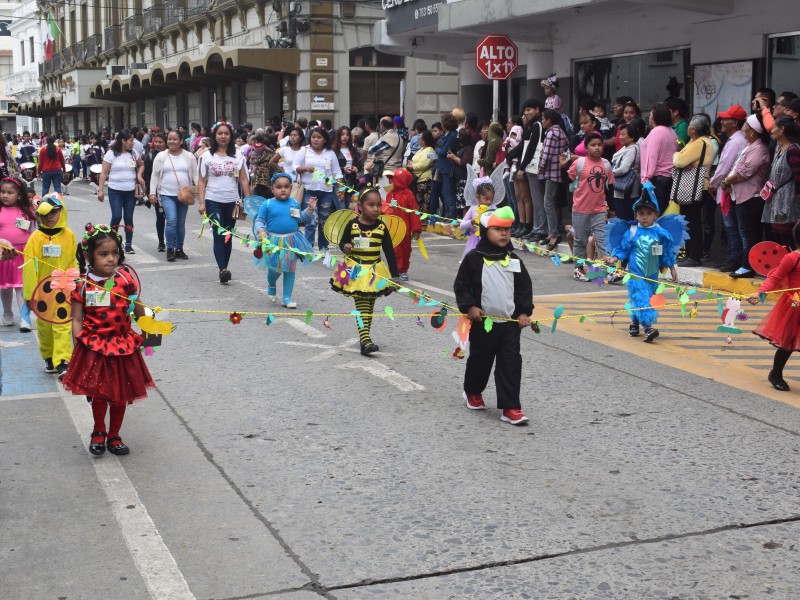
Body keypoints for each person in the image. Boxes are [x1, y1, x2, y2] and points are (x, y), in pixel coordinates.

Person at [62, 224, 155, 456]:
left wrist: (150, 325)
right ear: (88, 256)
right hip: (95, 348)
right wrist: (77, 345)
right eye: (103, 254)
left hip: (123, 347)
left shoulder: (125, 281)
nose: (111, 259)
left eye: (114, 253)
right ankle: (98, 431)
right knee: (101, 394)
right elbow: (76, 319)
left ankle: (114, 435)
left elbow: (138, 307)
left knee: (120, 395)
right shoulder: (83, 286)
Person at [454, 206, 533, 426]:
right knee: (480, 360)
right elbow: (461, 286)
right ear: (485, 230)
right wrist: (469, 307)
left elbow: (524, 287)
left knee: (510, 364)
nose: (504, 234)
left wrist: (525, 311)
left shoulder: (514, 260)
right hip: (484, 323)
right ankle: (473, 391)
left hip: (509, 325)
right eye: (498, 229)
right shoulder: (474, 259)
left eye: (507, 229)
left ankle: (511, 407)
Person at [604, 184, 681, 342]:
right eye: (641, 213)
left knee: (647, 298)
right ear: (636, 215)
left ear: (656, 215)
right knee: (641, 296)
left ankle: (634, 321)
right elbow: (623, 250)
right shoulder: (631, 232)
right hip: (635, 273)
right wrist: (614, 258)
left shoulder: (660, 233)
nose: (645, 216)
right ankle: (648, 328)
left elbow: (666, 253)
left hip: (652, 274)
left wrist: (672, 268)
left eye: (649, 213)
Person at [330, 188, 399, 356]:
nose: (376, 209)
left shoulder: (381, 226)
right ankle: (365, 340)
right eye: (371, 205)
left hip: (375, 271)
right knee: (362, 305)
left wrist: (395, 275)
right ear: (360, 206)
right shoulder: (352, 224)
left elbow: (389, 251)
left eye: (378, 205)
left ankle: (365, 339)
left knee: (369, 306)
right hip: (356, 271)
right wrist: (345, 246)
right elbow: (343, 241)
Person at [22, 194, 77, 378]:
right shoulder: (35, 239)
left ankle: (63, 361)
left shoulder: (69, 235)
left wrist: (75, 284)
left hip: (63, 290)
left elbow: (72, 261)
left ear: (61, 211)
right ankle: (48, 357)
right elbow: (29, 267)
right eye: (45, 214)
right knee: (44, 327)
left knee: (62, 325)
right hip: (42, 293)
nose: (50, 217)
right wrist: (30, 295)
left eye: (54, 212)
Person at [747, 223, 800, 391]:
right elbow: (774, 278)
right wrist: (760, 293)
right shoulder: (792, 258)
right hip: (795, 303)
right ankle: (776, 374)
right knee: (788, 341)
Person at [198, 120, 251, 284]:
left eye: (226, 133)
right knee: (218, 234)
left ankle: (224, 268)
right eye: (220, 133)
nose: (223, 136)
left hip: (232, 201)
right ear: (214, 135)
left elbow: (243, 179)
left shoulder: (238, 154)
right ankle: (222, 269)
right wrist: (201, 202)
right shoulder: (206, 155)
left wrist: (248, 201)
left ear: (231, 136)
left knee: (228, 234)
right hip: (213, 199)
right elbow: (201, 181)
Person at [254, 173, 317, 308]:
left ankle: (287, 298)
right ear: (272, 188)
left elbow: (299, 219)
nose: (283, 189)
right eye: (279, 187)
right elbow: (259, 220)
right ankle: (271, 285)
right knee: (275, 268)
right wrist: (261, 230)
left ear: (290, 188)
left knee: (290, 269)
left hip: (292, 240)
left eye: (286, 187)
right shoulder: (268, 203)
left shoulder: (294, 203)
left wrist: (310, 208)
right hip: (273, 242)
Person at [720, 113, 771, 278]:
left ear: (753, 131)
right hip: (741, 195)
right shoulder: (749, 146)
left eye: (745, 127)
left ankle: (747, 266)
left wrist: (727, 180)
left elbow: (744, 171)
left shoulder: (759, 149)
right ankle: (749, 264)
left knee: (747, 233)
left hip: (751, 196)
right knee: (746, 232)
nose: (743, 129)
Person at [562, 132, 613, 281]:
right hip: (580, 209)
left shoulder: (606, 164)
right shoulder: (579, 163)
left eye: (599, 145)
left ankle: (607, 270)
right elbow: (566, 179)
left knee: (603, 240)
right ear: (586, 147)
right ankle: (578, 269)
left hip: (599, 209)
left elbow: (610, 188)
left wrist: (613, 209)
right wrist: (563, 165)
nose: (597, 148)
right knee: (580, 240)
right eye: (593, 145)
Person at [672, 114, 717, 267]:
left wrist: (677, 154)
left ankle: (694, 256)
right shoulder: (698, 141)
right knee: (688, 221)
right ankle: (690, 254)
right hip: (694, 185)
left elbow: (679, 160)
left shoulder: (699, 143)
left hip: (696, 186)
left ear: (693, 130)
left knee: (693, 222)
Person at [709, 105, 748, 272]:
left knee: (732, 228)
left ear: (735, 122)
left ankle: (734, 259)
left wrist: (712, 183)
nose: (722, 122)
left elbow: (724, 167)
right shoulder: (737, 139)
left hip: (729, 190)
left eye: (726, 119)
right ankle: (732, 258)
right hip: (728, 190)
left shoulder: (736, 141)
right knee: (732, 228)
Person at [149, 129, 198, 262]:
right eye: (169, 139)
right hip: (166, 194)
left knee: (180, 223)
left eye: (175, 139)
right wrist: (152, 192)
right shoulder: (161, 156)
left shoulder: (189, 157)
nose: (172, 141)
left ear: (181, 141)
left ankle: (179, 249)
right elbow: (155, 175)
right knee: (171, 220)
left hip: (184, 195)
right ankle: (170, 249)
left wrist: (201, 190)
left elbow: (195, 175)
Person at [292, 127, 344, 251]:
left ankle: (323, 246)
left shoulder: (330, 153)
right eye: (313, 137)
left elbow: (337, 172)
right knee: (311, 220)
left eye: (319, 137)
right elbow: (294, 167)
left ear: (324, 139)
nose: (316, 140)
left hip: (326, 191)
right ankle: (308, 247)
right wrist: (305, 168)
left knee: (324, 220)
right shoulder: (304, 151)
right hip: (309, 190)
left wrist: (340, 188)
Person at [97, 129, 145, 255]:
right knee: (117, 216)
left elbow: (141, 165)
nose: (133, 143)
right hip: (115, 191)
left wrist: (139, 175)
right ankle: (113, 242)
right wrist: (100, 190)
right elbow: (103, 173)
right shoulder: (111, 154)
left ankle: (128, 244)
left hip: (130, 191)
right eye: (131, 140)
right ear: (123, 141)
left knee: (128, 218)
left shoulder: (133, 153)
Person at [0, 177, 36, 331]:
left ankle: (25, 318)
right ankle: (7, 314)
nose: (5, 195)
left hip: (22, 254)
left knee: (22, 287)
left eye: (9, 192)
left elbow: (34, 232)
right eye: (2, 192)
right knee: (5, 287)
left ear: (19, 195)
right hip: (3, 255)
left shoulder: (27, 211)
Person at [761, 115, 800, 249]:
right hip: (777, 201)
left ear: (782, 129)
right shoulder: (779, 147)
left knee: (788, 241)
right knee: (779, 241)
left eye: (774, 127)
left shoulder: (793, 150)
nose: (771, 130)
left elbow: (798, 177)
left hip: (788, 203)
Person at [538, 109, 569, 250]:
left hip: (551, 173)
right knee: (551, 203)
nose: (542, 121)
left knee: (548, 203)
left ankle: (554, 234)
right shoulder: (561, 132)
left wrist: (540, 168)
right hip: (558, 172)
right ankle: (551, 233)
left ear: (549, 120)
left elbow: (547, 154)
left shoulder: (552, 133)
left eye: (543, 119)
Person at [383, 168, 422, 281]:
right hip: (392, 228)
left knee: (405, 251)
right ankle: (395, 271)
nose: (391, 181)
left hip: (405, 229)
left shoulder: (408, 195)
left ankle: (403, 270)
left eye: (393, 179)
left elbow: (414, 213)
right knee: (393, 250)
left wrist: (416, 229)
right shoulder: (390, 195)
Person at [640, 104, 679, 214]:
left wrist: (645, 179)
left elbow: (651, 157)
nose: (649, 117)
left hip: (657, 180)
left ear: (656, 117)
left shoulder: (656, 131)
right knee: (664, 214)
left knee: (655, 215)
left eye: (651, 114)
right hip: (670, 178)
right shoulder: (672, 132)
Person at [427, 113, 459, 219]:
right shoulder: (448, 134)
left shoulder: (452, 135)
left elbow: (444, 151)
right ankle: (448, 215)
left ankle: (451, 216)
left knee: (448, 193)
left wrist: (437, 150)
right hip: (442, 167)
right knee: (445, 193)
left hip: (447, 167)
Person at [460, 176, 498, 259]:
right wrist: (471, 222)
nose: (489, 202)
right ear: (477, 197)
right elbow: (462, 225)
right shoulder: (473, 209)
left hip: (489, 241)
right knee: (473, 263)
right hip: (474, 242)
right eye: (486, 199)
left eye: (491, 199)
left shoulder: (494, 208)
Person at [141, 132, 167, 252]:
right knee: (160, 217)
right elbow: (147, 176)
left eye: (160, 142)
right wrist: (149, 193)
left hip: (172, 191)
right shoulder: (150, 156)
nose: (157, 144)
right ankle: (161, 241)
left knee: (173, 219)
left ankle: (175, 243)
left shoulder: (171, 155)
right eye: (156, 141)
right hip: (157, 192)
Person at [611, 123, 642, 221]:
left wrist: (609, 173)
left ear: (632, 137)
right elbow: (614, 158)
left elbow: (624, 169)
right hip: (626, 189)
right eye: (620, 134)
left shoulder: (631, 150)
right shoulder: (627, 148)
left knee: (624, 216)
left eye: (623, 134)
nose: (620, 137)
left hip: (626, 190)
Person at [333, 126, 361, 209]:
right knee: (341, 208)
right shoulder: (333, 151)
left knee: (352, 208)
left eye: (347, 135)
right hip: (339, 182)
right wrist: (342, 169)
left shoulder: (353, 150)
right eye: (342, 134)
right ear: (338, 136)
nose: (345, 137)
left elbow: (359, 164)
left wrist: (356, 168)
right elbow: (331, 168)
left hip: (352, 183)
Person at [449, 129, 475, 216]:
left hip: (464, 179)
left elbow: (465, 163)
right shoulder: (460, 148)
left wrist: (454, 157)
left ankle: (465, 221)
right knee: (460, 203)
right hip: (459, 178)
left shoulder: (468, 149)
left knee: (465, 203)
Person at [409, 130, 436, 211]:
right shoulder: (421, 149)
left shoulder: (431, 150)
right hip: (417, 179)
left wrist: (412, 167)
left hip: (425, 180)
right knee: (418, 201)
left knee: (424, 202)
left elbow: (425, 164)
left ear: (424, 141)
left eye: (420, 138)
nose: (418, 140)